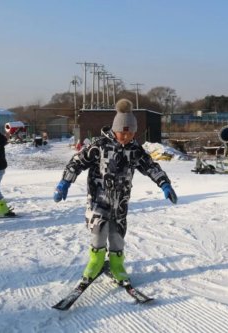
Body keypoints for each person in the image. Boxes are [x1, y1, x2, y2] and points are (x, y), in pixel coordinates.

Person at [53, 99, 178, 284]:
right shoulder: (100, 145)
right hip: (99, 199)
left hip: (120, 201)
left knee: (117, 233)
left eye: (131, 133)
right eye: (123, 132)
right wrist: (65, 182)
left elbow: (150, 166)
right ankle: (95, 262)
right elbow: (77, 161)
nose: (126, 137)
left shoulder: (135, 149)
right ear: (115, 129)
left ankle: (117, 264)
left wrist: (164, 184)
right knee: (99, 230)